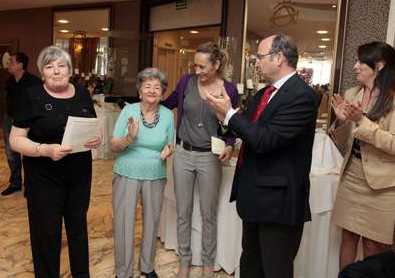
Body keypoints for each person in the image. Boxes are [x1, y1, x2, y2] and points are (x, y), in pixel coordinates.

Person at [206, 34, 319, 278]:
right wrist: (224, 117)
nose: (256, 63)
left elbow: (265, 140)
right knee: (250, 265)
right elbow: (245, 128)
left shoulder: (302, 96)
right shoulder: (264, 94)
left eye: (259, 57)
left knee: (275, 269)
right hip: (255, 195)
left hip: (278, 201)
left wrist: (230, 115)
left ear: (279, 58)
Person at [9, 46, 102, 278]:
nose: (56, 71)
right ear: (42, 73)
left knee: (77, 228)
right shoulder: (31, 95)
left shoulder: (82, 93)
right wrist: (45, 150)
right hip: (43, 176)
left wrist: (96, 139)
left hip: (79, 174)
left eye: (61, 65)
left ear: (70, 70)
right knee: (47, 233)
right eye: (49, 67)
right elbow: (15, 140)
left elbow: (90, 125)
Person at [329, 41, 395, 269]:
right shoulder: (352, 93)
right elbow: (341, 142)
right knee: (347, 237)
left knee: (372, 246)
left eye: (360, 62)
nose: (355, 66)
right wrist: (342, 122)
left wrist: (361, 120)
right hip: (352, 176)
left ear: (379, 66)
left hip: (382, 183)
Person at [162, 42, 238, 278]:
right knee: (183, 211)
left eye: (202, 66)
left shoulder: (230, 89)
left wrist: (228, 144)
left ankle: (207, 264)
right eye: (195, 65)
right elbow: (169, 104)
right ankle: (184, 262)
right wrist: (146, 102)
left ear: (216, 65)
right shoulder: (186, 82)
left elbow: (230, 124)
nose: (197, 70)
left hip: (209, 157)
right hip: (183, 153)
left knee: (208, 214)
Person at [110, 68, 174, 278]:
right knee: (124, 222)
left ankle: (147, 266)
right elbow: (113, 145)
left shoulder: (167, 115)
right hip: (127, 170)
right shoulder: (128, 112)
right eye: (147, 86)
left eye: (157, 87)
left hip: (155, 172)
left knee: (152, 221)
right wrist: (129, 137)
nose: (152, 90)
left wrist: (168, 150)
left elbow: (170, 142)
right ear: (139, 90)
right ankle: (123, 271)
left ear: (163, 93)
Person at [1, 52, 41, 196]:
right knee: (11, 153)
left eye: (11, 61)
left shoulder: (34, 82)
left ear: (20, 65)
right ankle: (15, 183)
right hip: (10, 120)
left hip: (27, 123)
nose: (8, 64)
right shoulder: (10, 81)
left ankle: (30, 185)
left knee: (29, 154)